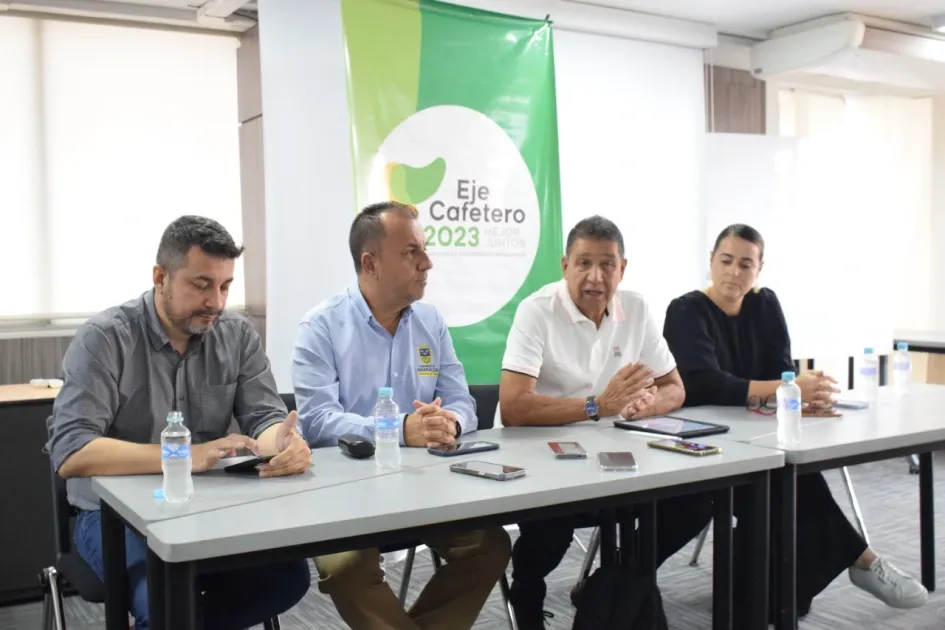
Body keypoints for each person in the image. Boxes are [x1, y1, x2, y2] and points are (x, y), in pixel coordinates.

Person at [46, 216, 312, 630]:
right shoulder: (105, 338)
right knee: (166, 601)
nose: (216, 302)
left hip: (206, 505)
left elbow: (263, 417)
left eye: (225, 286)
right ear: (160, 278)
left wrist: (281, 441)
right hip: (111, 518)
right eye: (202, 285)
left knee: (286, 578)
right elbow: (72, 452)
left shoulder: (237, 335)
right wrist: (188, 455)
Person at [663, 222, 928, 621]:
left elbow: (781, 368)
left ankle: (846, 566)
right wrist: (784, 389)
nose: (734, 272)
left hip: (760, 434)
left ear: (759, 269)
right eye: (726, 260)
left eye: (746, 264)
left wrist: (806, 392)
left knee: (794, 475)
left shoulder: (765, 304)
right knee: (794, 482)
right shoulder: (686, 310)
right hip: (710, 445)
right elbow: (701, 384)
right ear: (711, 261)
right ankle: (862, 559)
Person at [292, 201, 511, 630]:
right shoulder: (321, 326)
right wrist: (397, 430)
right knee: (345, 566)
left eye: (424, 249)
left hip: (426, 488)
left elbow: (461, 399)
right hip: (344, 495)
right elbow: (316, 421)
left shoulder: (430, 321)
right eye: (411, 252)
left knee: (490, 546)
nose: (427, 262)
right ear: (369, 263)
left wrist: (449, 422)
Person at [499, 215, 711, 629]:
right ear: (565, 266)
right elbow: (513, 407)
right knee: (553, 527)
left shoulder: (636, 308)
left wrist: (645, 406)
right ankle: (528, 588)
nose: (595, 277)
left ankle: (619, 578)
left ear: (622, 269)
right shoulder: (536, 311)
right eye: (584, 264)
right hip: (541, 454)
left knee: (696, 501)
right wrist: (598, 406)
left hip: (614, 453)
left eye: (607, 265)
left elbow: (674, 388)